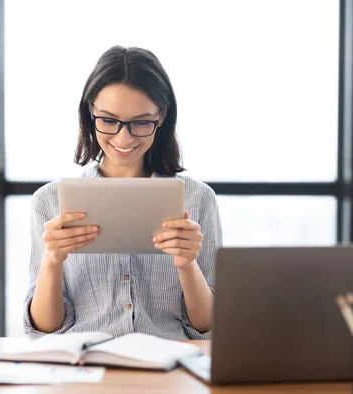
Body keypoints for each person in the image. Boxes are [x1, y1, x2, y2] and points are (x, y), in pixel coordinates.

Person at [23, 46, 222, 340]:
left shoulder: (198, 199)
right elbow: (43, 332)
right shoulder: (49, 201)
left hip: (168, 369)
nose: (123, 137)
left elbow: (209, 329)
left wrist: (186, 264)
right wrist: (52, 260)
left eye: (141, 122)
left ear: (162, 114)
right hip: (85, 370)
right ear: (90, 112)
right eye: (108, 120)